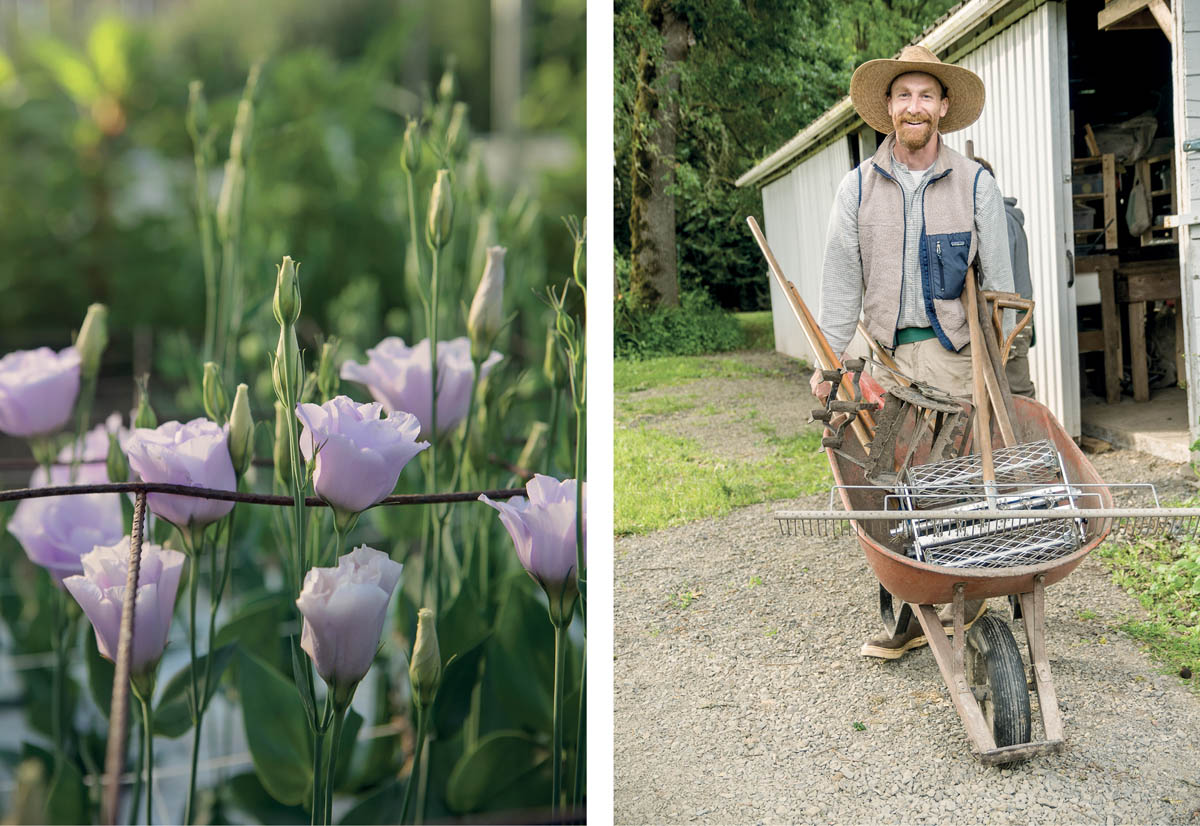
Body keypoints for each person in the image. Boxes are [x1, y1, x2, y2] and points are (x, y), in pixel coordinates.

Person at [809, 45, 1016, 660]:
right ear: (888, 109)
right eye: (903, 95)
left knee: (951, 482)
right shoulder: (857, 188)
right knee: (891, 487)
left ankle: (964, 594)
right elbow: (841, 284)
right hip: (887, 361)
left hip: (953, 356)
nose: (914, 106)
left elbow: (1002, 289)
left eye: (926, 95)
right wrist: (830, 365)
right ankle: (908, 607)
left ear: (944, 107)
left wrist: (1003, 363)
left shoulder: (975, 184)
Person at [975, 156, 1036, 398]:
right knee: (1004, 392)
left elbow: (999, 280)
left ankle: (1028, 436)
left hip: (1009, 318)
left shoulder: (1001, 221)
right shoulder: (999, 219)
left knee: (1016, 393)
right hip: (1006, 317)